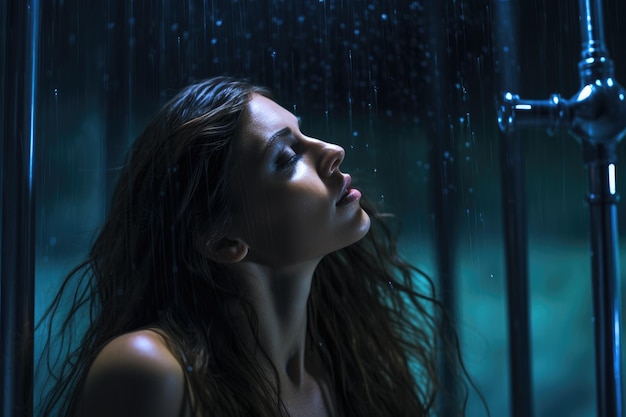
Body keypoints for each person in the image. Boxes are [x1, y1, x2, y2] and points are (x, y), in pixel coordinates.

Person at [38, 77, 473, 417]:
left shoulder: (345, 369)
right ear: (225, 241)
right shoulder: (150, 372)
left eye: (305, 135)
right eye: (286, 157)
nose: (333, 150)